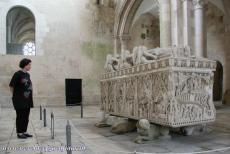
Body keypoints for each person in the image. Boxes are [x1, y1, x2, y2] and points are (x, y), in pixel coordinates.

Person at [9, 58, 34, 139]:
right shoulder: (17, 74)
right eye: (29, 64)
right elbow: (11, 86)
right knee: (20, 116)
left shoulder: (27, 74)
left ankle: (24, 131)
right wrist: (14, 96)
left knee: (26, 116)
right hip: (19, 99)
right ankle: (19, 133)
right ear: (25, 65)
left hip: (27, 99)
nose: (30, 66)